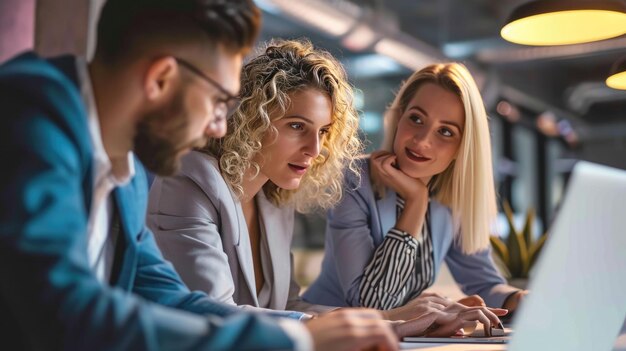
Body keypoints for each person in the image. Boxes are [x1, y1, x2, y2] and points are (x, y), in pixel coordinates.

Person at [0, 1, 398, 350]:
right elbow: (62, 308)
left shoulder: (129, 169)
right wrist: (294, 342)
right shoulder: (29, 119)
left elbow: (170, 299)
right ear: (160, 78)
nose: (220, 128)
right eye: (218, 101)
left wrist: (321, 331)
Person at [148, 40, 507, 337]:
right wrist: (387, 325)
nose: (315, 150)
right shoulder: (190, 182)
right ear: (251, 119)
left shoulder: (273, 201)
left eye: (322, 132)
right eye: (296, 126)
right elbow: (217, 314)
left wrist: (397, 323)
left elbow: (288, 308)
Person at [303, 63, 527, 315]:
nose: (422, 141)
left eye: (445, 131)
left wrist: (518, 299)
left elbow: (485, 284)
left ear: (462, 148)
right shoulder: (354, 180)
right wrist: (416, 200)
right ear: (399, 119)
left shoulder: (450, 201)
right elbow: (369, 303)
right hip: (331, 336)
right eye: (416, 119)